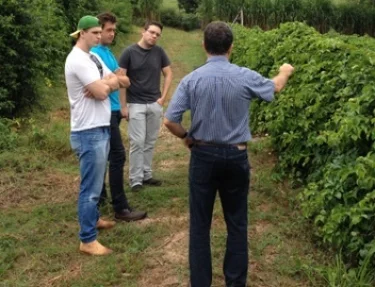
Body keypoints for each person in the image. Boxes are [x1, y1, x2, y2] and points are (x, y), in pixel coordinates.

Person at [164, 21, 294, 287]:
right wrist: (285, 70)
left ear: (204, 46)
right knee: (237, 223)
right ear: (231, 47)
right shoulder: (244, 76)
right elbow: (275, 87)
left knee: (200, 226)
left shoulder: (192, 79)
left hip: (203, 156)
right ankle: (235, 282)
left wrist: (186, 137)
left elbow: (170, 120)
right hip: (236, 157)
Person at [65, 15, 128, 255]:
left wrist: (108, 83)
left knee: (94, 183)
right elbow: (102, 91)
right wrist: (108, 84)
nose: (99, 36)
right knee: (90, 188)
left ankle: (94, 220)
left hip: (99, 126)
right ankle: (87, 240)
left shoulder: (92, 57)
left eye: (100, 32)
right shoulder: (78, 60)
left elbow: (119, 80)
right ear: (81, 33)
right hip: (88, 130)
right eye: (94, 32)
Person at [91, 12, 147, 221]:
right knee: (117, 155)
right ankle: (120, 207)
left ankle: (101, 197)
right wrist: (117, 79)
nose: (112, 34)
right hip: (104, 110)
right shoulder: (95, 54)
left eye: (114, 30)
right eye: (108, 30)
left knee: (106, 155)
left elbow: (122, 78)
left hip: (113, 110)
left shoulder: (108, 52)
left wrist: (118, 80)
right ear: (98, 31)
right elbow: (112, 80)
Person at [118, 20, 173, 191]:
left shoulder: (159, 52)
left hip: (154, 103)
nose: (154, 36)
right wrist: (123, 106)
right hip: (135, 104)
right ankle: (135, 179)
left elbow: (168, 73)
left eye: (157, 34)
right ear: (144, 31)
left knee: (150, 141)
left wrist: (163, 98)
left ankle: (146, 174)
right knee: (137, 142)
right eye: (152, 32)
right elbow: (121, 80)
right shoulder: (129, 52)